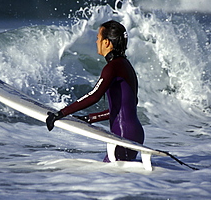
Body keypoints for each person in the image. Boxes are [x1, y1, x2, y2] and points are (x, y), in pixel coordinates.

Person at [46, 20, 144, 161]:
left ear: (107, 43)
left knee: (110, 177)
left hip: (123, 135)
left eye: (98, 38)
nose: (96, 42)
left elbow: (94, 96)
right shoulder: (125, 65)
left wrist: (60, 113)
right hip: (133, 133)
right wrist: (90, 118)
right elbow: (127, 106)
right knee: (119, 176)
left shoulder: (113, 67)